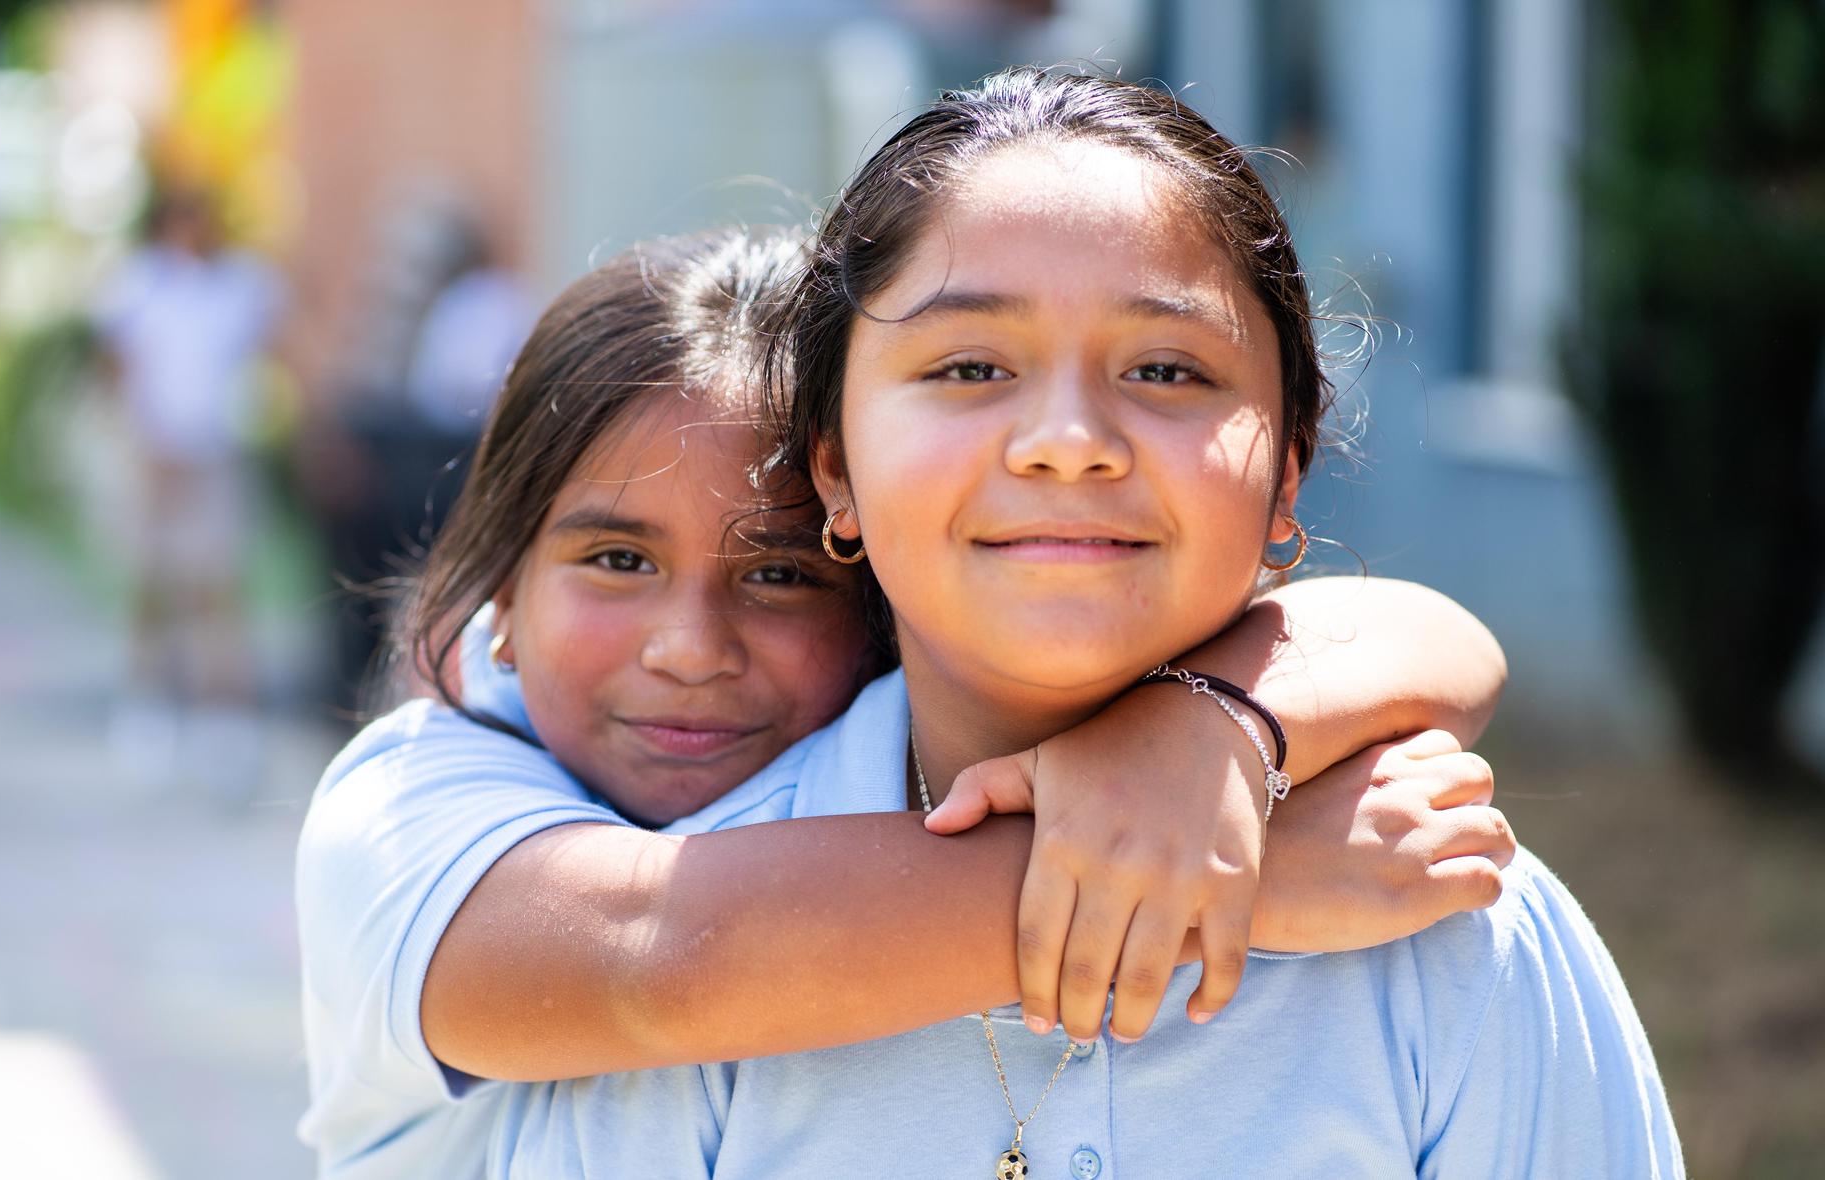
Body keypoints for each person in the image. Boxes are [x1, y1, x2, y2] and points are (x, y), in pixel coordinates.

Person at [472, 70, 1681, 1177]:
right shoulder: (691, 961)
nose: (1067, 439)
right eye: (968, 367)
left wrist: (1211, 739)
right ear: (834, 471)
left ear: (1288, 472)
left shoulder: (1447, 924)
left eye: (1164, 371)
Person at [297, 226, 1518, 1176]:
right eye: (617, 561)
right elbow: (664, 957)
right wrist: (1214, 878)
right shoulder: (405, 807)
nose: (688, 647)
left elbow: (1434, 633)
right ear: (504, 578)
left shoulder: (901, 758)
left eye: (778, 574)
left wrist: (1204, 731)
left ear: (871, 551)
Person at [94, 186, 283, 797]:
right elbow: (119, 365)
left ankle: (223, 714)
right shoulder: (140, 284)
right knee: (152, 583)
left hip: (213, 453)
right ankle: (148, 707)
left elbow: (273, 346)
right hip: (156, 457)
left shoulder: (237, 287)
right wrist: (139, 436)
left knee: (217, 585)